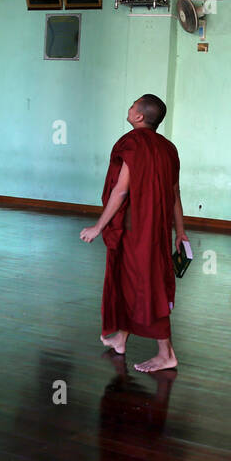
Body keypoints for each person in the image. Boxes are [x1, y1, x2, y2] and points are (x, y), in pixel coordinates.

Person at [80, 94, 188, 373]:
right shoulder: (168, 148)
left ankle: (167, 353)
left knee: (147, 285)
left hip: (135, 228)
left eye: (132, 104)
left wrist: (98, 226)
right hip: (157, 229)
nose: (129, 107)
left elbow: (121, 190)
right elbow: (175, 193)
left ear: (139, 116)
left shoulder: (133, 143)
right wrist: (181, 232)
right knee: (132, 280)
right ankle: (121, 338)